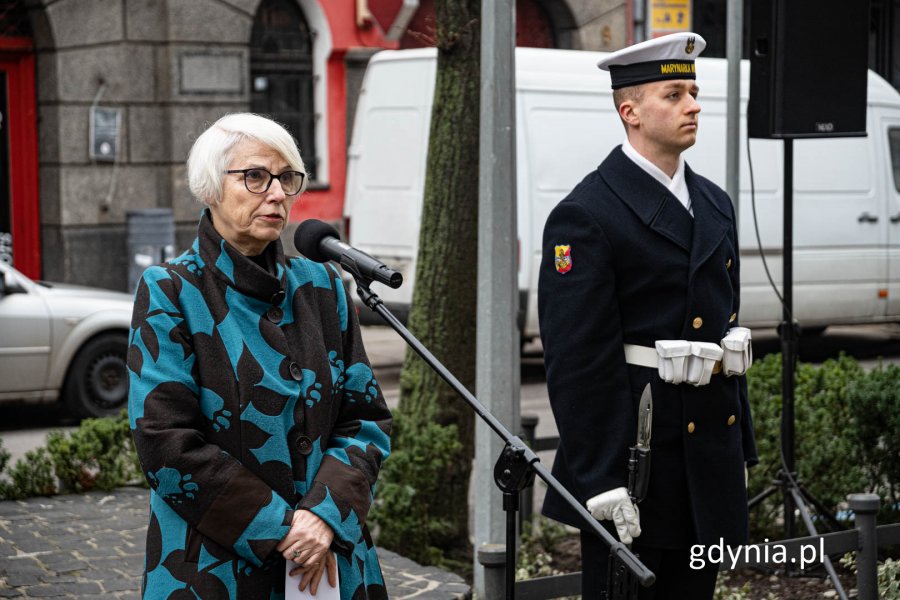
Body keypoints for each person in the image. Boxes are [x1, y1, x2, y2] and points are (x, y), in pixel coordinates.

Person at [127, 113, 392, 599]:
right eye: (255, 176)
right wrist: (281, 528)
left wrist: (323, 516)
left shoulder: (324, 286)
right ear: (211, 187)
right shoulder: (171, 289)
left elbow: (365, 420)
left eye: (287, 178)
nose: (276, 194)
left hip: (329, 559)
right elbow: (164, 439)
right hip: (213, 568)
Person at [538, 33, 757, 599]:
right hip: (636, 464)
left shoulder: (713, 202)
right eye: (674, 93)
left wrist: (742, 450)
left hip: (707, 455)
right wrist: (601, 477)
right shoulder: (586, 214)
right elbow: (578, 360)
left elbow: (725, 339)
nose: (694, 104)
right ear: (629, 111)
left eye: (694, 91)